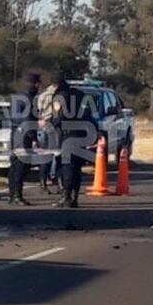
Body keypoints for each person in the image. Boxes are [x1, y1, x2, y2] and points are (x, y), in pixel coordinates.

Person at [51, 74, 96, 208]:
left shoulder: (59, 97)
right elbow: (89, 115)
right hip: (82, 134)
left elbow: (59, 117)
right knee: (77, 168)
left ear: (56, 85)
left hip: (67, 136)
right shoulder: (80, 95)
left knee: (67, 167)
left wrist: (51, 124)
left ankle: (66, 197)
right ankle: (75, 197)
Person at [7, 73, 41, 206]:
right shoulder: (29, 98)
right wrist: (33, 137)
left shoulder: (17, 97)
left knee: (15, 165)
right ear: (36, 84)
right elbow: (28, 120)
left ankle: (12, 194)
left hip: (15, 132)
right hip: (24, 134)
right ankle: (17, 195)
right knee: (22, 165)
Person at [36, 81, 59, 193]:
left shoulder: (42, 96)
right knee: (55, 154)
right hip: (51, 124)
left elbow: (38, 110)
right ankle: (54, 179)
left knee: (45, 155)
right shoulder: (56, 96)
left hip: (42, 124)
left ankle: (43, 182)